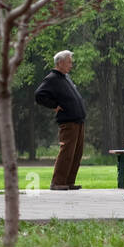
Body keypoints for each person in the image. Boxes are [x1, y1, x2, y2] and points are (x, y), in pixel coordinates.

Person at [34, 50, 86, 190]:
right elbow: (39, 95)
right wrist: (54, 106)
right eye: (69, 62)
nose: (71, 64)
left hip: (78, 120)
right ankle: (57, 182)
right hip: (68, 121)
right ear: (60, 62)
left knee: (76, 153)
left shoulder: (65, 77)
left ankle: (68, 182)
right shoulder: (52, 78)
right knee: (66, 152)